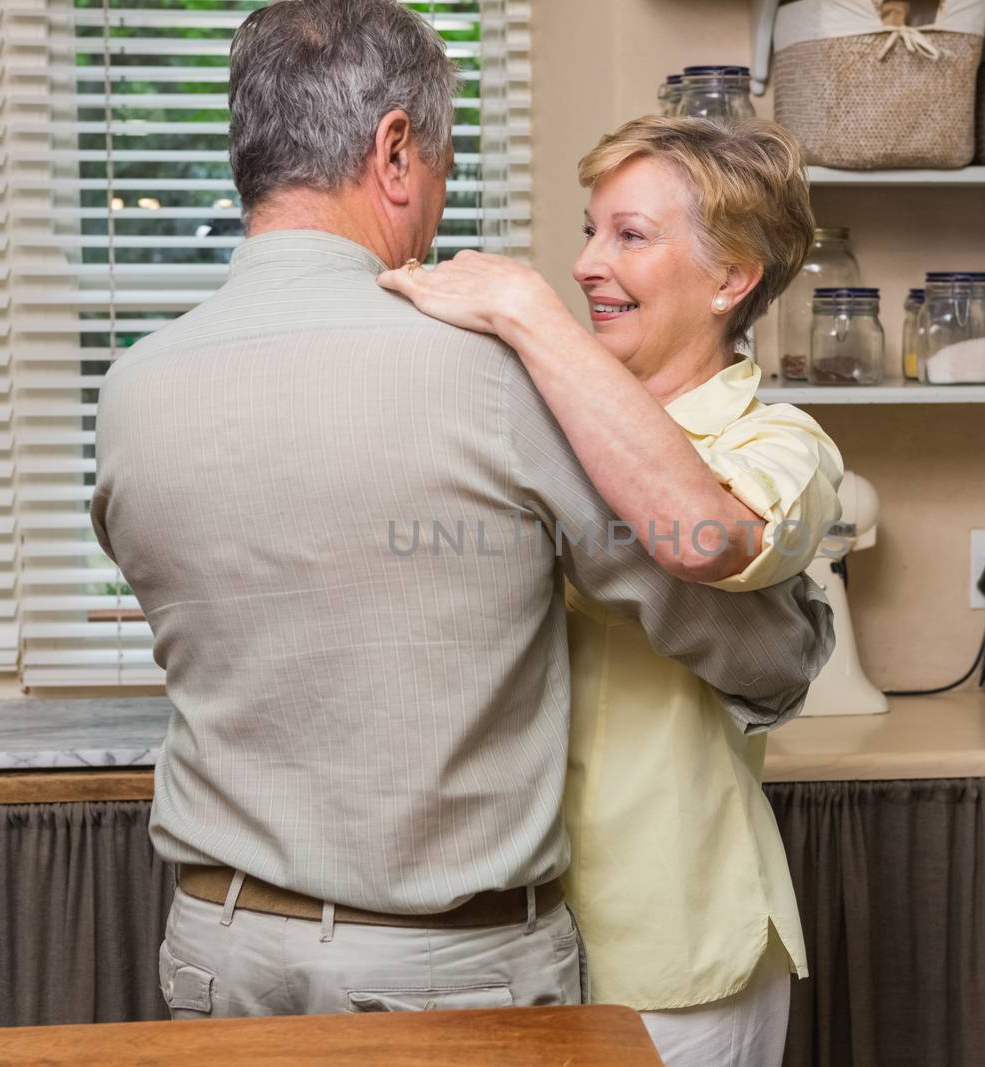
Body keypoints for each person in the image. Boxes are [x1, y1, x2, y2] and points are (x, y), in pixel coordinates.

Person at [87, 0, 833, 1021]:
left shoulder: (132, 389)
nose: (438, 198)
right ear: (395, 150)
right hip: (438, 972)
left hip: (220, 947)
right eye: (440, 164)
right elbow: (704, 604)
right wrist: (797, 642)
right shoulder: (488, 375)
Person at [378, 115, 842, 1067]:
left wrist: (525, 308)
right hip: (498, 941)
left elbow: (701, 536)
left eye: (629, 236)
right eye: (589, 231)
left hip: (673, 953)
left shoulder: (781, 446)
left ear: (731, 277)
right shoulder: (527, 408)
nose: (588, 263)